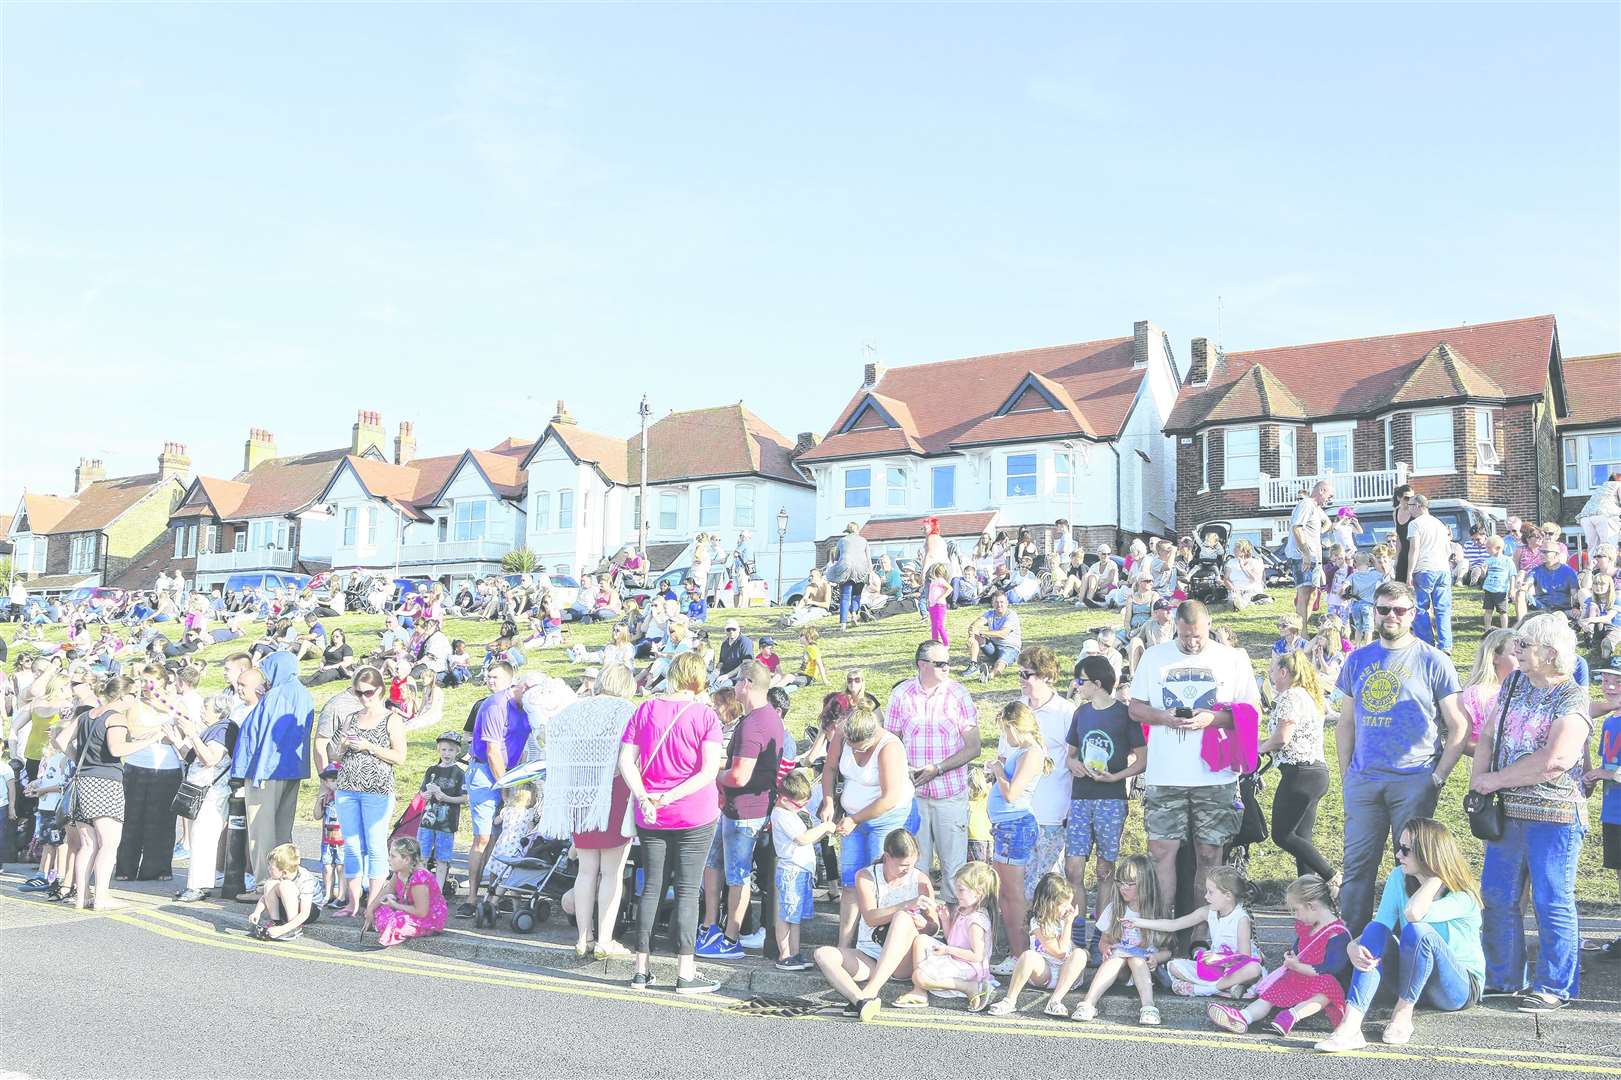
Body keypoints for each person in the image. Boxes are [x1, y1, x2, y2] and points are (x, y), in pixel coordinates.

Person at [1470, 614, 1591, 1012]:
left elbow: (1556, 760)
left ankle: (1556, 985)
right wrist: (1478, 780)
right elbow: (1487, 734)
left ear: (1551, 653)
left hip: (1555, 815)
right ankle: (1504, 977)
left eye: (1524, 644)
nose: (1515, 650)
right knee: (1497, 895)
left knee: (1552, 899)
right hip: (1509, 812)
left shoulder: (1572, 697)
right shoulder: (1515, 682)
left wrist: (1496, 780)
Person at [1334, 581, 1467, 933]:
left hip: (1413, 780)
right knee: (1356, 869)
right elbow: (1345, 723)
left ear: (1413, 614)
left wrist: (1436, 777)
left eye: (1399, 610)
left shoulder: (1433, 660)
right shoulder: (1357, 659)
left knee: (1414, 867)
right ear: (1373, 611)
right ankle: (1350, 947)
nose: (1391, 616)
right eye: (1383, 609)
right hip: (1364, 781)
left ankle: (1410, 943)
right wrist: (1347, 772)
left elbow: (1458, 726)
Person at [1127, 600, 1262, 920]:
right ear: (1175, 626)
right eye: (1185, 636)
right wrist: (1163, 716)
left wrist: (1210, 720)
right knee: (1161, 854)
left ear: (1209, 625)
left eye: (1197, 636)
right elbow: (1135, 708)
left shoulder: (1231, 658)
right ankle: (1161, 932)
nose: (1191, 642)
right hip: (1165, 775)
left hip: (1214, 778)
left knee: (1210, 855)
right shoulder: (1154, 657)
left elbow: (1250, 712)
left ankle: (1203, 935)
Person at [1316, 818, 1484, 1052]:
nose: (1398, 854)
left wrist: (1436, 877)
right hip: (1414, 976)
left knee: (1418, 931)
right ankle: (1351, 1026)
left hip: (1457, 987)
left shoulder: (1464, 895)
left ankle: (1403, 1014)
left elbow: (1414, 914)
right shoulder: (1398, 877)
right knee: (1375, 930)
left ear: (1428, 855)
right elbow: (1380, 926)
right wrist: (1352, 946)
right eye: (1399, 847)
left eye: (1406, 850)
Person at [618, 651, 725, 994]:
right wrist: (671, 796)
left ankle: (640, 969)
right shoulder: (706, 716)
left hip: (651, 813)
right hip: (693, 812)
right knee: (687, 891)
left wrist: (646, 797)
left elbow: (626, 762)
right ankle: (685, 972)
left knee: (651, 886)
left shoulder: (645, 708)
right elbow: (709, 771)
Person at [543, 664, 637, 958]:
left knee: (585, 871)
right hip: (615, 791)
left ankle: (583, 937)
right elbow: (630, 757)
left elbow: (548, 735)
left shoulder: (575, 710)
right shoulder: (628, 710)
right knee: (612, 872)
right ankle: (605, 939)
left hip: (580, 793)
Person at [697, 659, 788, 959]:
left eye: (738, 682)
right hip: (740, 809)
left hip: (746, 811)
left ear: (747, 684)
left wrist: (713, 774)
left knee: (737, 874)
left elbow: (739, 776)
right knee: (715, 863)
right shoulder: (768, 718)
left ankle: (731, 937)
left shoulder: (753, 724)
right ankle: (711, 925)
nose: (734, 686)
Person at [883, 639, 978, 905]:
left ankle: (957, 932)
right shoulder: (901, 694)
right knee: (916, 870)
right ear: (922, 665)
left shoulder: (959, 695)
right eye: (941, 664)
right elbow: (890, 743)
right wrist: (904, 771)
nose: (948, 668)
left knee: (955, 871)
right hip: (914, 798)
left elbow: (974, 747)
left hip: (950, 796)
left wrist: (938, 769)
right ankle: (923, 930)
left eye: (948, 663)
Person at [65, 676, 169, 911]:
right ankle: (101, 896)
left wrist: (80, 761)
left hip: (84, 781)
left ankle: (82, 897)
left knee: (88, 845)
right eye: (134, 695)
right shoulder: (116, 718)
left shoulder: (86, 716)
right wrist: (151, 740)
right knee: (109, 843)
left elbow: (61, 740)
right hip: (106, 783)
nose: (136, 699)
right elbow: (117, 749)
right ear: (123, 696)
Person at [1064, 653, 1145, 948]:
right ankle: (1076, 934)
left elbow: (1142, 759)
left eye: (1081, 681)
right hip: (1081, 797)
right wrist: (1074, 765)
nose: (1077, 685)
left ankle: (1103, 935)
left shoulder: (1124, 714)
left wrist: (1116, 777)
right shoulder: (1081, 713)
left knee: (1104, 871)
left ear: (1097, 683)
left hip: (1110, 799)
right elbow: (1070, 755)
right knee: (1073, 867)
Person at [813, 827, 935, 1022]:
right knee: (822, 954)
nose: (908, 870)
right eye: (903, 865)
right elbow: (870, 918)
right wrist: (907, 904)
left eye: (912, 864)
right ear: (887, 856)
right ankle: (860, 1000)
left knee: (903, 918)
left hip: (902, 962)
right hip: (868, 955)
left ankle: (872, 990)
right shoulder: (866, 876)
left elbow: (933, 928)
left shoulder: (921, 880)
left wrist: (925, 925)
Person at [1207, 875, 1350, 1036]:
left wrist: (1296, 965)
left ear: (1311, 906)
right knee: (1269, 996)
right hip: (1299, 977)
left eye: (1296, 910)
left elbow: (1331, 969)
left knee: (1328, 984)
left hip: (1321, 981)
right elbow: (1299, 949)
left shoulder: (1337, 934)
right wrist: (1293, 957)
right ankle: (1243, 1017)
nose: (1295, 915)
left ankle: (1292, 1015)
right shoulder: (1308, 925)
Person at [823, 706, 915, 945]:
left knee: (880, 881)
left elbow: (889, 798)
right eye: (851, 746)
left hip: (886, 818)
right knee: (851, 880)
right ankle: (844, 944)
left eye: (860, 746)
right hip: (853, 818)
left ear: (873, 734)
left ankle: (876, 943)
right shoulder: (843, 734)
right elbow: (830, 768)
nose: (855, 751)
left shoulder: (889, 747)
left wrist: (854, 819)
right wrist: (829, 801)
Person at [230, 652, 314, 904]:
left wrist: (258, 771)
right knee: (282, 829)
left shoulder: (276, 695)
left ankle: (262, 885)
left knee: (261, 830)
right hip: (292, 769)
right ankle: (284, 882)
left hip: (266, 771)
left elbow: (264, 734)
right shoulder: (303, 693)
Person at [329, 666, 406, 920]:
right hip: (347, 788)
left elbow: (400, 757)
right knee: (351, 846)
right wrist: (340, 748)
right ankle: (353, 903)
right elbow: (334, 756)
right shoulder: (351, 718)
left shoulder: (391, 719)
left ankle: (373, 905)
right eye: (358, 693)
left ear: (380, 691)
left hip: (377, 790)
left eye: (368, 692)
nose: (363, 697)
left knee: (375, 847)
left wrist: (369, 746)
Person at [986, 700, 1053, 968]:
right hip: (1005, 827)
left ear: (1016, 727)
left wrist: (999, 771)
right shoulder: (1020, 751)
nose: (1005, 736)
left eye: (1006, 730)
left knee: (1013, 895)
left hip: (1016, 826)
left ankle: (1021, 953)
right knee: (1004, 893)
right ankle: (1016, 952)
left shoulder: (1031, 753)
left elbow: (1012, 794)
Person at [460, 662, 530, 918]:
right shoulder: (495, 704)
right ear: (517, 685)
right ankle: (471, 898)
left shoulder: (528, 707)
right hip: (485, 773)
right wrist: (504, 788)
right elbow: (492, 751)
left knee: (504, 836)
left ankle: (493, 895)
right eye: (487, 675)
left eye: (494, 676)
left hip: (509, 773)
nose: (489, 680)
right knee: (484, 836)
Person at [1260, 651, 1336, 885]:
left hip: (1298, 774)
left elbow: (1282, 738)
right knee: (1302, 837)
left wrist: (1258, 747)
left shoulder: (1290, 696)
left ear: (1284, 672)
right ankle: (1310, 893)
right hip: (1317, 773)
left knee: (1282, 835)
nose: (1271, 675)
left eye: (1273, 670)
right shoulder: (1310, 696)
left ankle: (1332, 877)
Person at [1070, 854, 1171, 1025]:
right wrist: (1105, 948)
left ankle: (1149, 1007)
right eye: (1120, 883)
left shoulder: (1157, 912)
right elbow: (1104, 941)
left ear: (1145, 885)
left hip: (1147, 968)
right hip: (1121, 968)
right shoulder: (1115, 909)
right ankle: (1088, 1003)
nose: (1123, 888)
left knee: (1135, 958)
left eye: (1129, 884)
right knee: (1117, 957)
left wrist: (1156, 958)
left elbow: (1168, 950)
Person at [1136, 866, 1264, 998]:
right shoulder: (1208, 911)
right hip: (1215, 969)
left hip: (1237, 968)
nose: (1205, 896)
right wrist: (1137, 922)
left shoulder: (1241, 919)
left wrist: (1220, 959)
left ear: (1228, 896)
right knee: (1174, 966)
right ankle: (1227, 989)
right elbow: (1173, 924)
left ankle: (1204, 990)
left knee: (1254, 969)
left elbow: (1244, 957)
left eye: (1210, 892)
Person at [895, 860, 998, 1011]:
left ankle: (968, 987)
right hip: (956, 959)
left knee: (919, 976)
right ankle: (920, 992)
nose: (957, 894)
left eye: (961, 890)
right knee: (921, 939)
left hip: (969, 968)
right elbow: (953, 940)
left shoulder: (976, 921)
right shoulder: (963, 910)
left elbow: (976, 956)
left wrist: (947, 950)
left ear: (979, 892)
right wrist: (945, 920)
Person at [988, 873, 1090, 1017]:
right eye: (1064, 904)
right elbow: (1059, 952)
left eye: (1069, 903)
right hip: (1045, 974)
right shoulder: (1038, 923)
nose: (1069, 908)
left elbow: (1067, 949)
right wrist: (1068, 924)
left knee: (1080, 954)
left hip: (1066, 976)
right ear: (1049, 903)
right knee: (1028, 955)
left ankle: (1055, 1001)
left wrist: (1081, 952)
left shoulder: (1062, 918)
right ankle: (1009, 1001)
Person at [771, 766, 836, 971]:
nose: (803, 808)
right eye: (799, 805)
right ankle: (784, 955)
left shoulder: (794, 811)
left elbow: (810, 836)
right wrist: (824, 828)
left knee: (796, 916)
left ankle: (795, 952)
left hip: (802, 870)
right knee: (787, 915)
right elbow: (801, 839)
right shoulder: (782, 814)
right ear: (783, 799)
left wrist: (826, 830)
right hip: (791, 870)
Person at [175, 692, 237, 902]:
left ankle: (198, 886)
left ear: (219, 712)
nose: (202, 711)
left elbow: (210, 758)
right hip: (203, 791)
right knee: (198, 838)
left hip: (212, 793)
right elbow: (193, 757)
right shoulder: (213, 730)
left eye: (206, 708)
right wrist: (177, 739)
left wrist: (192, 734)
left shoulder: (223, 729)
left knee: (203, 839)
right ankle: (198, 883)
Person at [365, 836, 449, 947]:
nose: (388, 859)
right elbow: (389, 888)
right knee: (379, 911)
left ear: (407, 860)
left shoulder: (420, 877)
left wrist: (395, 905)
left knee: (396, 921)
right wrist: (370, 908)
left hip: (429, 918)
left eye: (393, 856)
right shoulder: (400, 871)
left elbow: (421, 912)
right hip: (408, 909)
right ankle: (390, 929)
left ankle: (394, 930)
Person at [416, 731, 468, 889]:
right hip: (427, 821)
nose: (447, 753)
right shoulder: (431, 770)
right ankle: (421, 888)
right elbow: (422, 791)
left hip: (446, 823)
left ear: (457, 751)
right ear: (438, 750)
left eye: (451, 750)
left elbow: (464, 797)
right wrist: (424, 794)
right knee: (422, 856)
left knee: (442, 858)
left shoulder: (459, 773)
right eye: (444, 749)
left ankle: (438, 890)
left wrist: (445, 797)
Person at [1405, 495, 1455, 651]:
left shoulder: (1415, 524)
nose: (1409, 508)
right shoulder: (1439, 524)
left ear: (1419, 505)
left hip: (1424, 568)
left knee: (1420, 608)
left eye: (1411, 505)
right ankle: (1446, 645)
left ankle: (1427, 643)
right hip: (1443, 569)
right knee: (1442, 609)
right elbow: (1448, 549)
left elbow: (1414, 549)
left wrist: (1409, 573)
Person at [247, 842, 322, 941]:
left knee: (285, 885)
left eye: (271, 867)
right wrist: (257, 912)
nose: (268, 869)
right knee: (270, 884)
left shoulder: (305, 879)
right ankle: (276, 922)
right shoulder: (280, 876)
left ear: (284, 872)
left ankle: (294, 928)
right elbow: (266, 896)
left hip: (310, 910)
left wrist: (283, 930)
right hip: (291, 904)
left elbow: (305, 913)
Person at [1285, 480, 1334, 630]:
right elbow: (1297, 528)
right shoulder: (1306, 504)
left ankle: (1302, 628)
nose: (1329, 500)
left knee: (1313, 594)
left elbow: (1328, 523)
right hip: (1302, 557)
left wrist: (1318, 532)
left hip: (1315, 557)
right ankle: (1302, 633)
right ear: (1321, 490)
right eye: (1329, 496)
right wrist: (1305, 553)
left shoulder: (1316, 508)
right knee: (1303, 594)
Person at [1459, 629, 1517, 756]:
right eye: (1514, 654)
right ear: (1495, 657)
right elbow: (1462, 740)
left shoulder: (1531, 691)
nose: (1521, 659)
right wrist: (1497, 755)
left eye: (1522, 653)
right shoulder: (1476, 695)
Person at [1517, 540, 1581, 622]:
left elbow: (1574, 593)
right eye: (1540, 552)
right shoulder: (1536, 570)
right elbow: (1528, 583)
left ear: (1556, 555)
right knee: (1520, 593)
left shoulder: (1569, 571)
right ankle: (1520, 626)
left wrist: (1576, 607)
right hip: (1541, 607)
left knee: (1562, 615)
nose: (1541, 554)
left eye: (1545, 552)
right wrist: (1523, 586)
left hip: (1562, 610)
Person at [965, 590, 1022, 680]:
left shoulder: (1011, 615)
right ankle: (973, 664)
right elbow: (974, 625)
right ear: (992, 603)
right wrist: (971, 636)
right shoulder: (990, 614)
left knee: (1000, 664)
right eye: (996, 602)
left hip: (1010, 648)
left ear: (1007, 603)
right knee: (976, 637)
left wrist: (981, 632)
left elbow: (1002, 634)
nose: (999, 605)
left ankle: (989, 676)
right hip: (993, 647)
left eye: (1002, 602)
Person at [830, 523, 872, 632]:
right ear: (857, 530)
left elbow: (836, 558)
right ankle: (854, 614)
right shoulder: (864, 541)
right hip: (861, 568)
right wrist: (870, 573)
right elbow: (868, 559)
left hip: (845, 567)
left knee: (845, 597)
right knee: (857, 594)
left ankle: (843, 624)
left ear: (847, 531)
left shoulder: (842, 541)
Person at [1579, 470, 1621, 555]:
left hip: (1586, 517)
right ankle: (1609, 567)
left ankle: (1593, 567)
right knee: (1608, 547)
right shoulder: (1619, 485)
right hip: (1605, 515)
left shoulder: (1601, 487)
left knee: (1593, 547)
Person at [1480, 535, 1516, 631]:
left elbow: (1512, 575)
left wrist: (1512, 589)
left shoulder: (1507, 561)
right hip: (1489, 589)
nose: (1486, 549)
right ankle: (1487, 629)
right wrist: (1483, 572)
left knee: (1503, 611)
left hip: (1501, 590)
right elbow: (1484, 576)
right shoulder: (1488, 560)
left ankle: (1504, 629)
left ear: (1498, 548)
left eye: (1488, 547)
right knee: (1488, 610)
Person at [1224, 540, 1270, 611]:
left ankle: (1241, 604)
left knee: (1246, 599)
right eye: (1235, 548)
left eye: (1237, 548)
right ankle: (1239, 603)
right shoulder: (1231, 562)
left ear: (1244, 551)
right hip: (1236, 590)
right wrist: (1232, 588)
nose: (1234, 550)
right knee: (1233, 599)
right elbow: (1226, 579)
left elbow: (1255, 579)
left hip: (1251, 590)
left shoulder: (1255, 562)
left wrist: (1243, 567)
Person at [1390, 484, 1416, 584]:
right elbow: (1399, 537)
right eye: (1406, 498)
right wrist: (1396, 558)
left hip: (1416, 550)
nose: (1409, 501)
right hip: (1404, 551)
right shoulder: (1395, 512)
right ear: (1399, 498)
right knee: (1400, 583)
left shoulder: (1415, 512)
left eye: (1412, 498)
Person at [924, 563, 951, 646]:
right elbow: (931, 593)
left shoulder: (941, 580)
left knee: (939, 625)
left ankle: (946, 643)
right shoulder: (933, 582)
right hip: (933, 605)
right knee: (934, 626)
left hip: (940, 605)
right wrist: (929, 601)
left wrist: (943, 596)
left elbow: (950, 588)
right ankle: (934, 642)